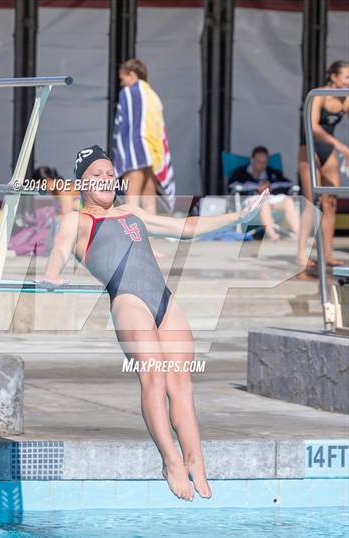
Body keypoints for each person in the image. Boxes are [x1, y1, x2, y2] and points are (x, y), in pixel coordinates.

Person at [37, 145, 269, 502]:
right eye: (96, 174)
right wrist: (52, 275)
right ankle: (171, 460)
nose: (105, 179)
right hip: (129, 301)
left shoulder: (131, 211)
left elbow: (184, 227)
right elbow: (58, 252)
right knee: (155, 378)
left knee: (182, 383)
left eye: (110, 173)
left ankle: (195, 458)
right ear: (81, 183)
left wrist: (237, 217)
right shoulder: (78, 220)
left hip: (164, 299)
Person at [297, 60, 349, 268]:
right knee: (312, 204)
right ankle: (301, 254)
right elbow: (313, 127)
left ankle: (326, 254)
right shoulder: (318, 94)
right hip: (310, 148)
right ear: (333, 77)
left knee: (330, 203)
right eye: (346, 77)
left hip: (328, 152)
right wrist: (341, 147)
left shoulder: (344, 98)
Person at [112, 58, 175, 215]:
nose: (122, 83)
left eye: (122, 79)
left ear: (131, 75)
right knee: (149, 199)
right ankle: (150, 235)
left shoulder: (129, 93)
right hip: (153, 153)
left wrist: (120, 155)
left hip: (135, 150)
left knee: (131, 199)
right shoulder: (153, 95)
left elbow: (125, 126)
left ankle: (132, 237)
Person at [229, 146, 299, 241]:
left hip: (271, 200)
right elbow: (232, 185)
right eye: (258, 161)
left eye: (264, 162)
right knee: (263, 202)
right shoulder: (240, 173)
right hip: (250, 202)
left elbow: (288, 184)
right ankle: (272, 235)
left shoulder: (272, 173)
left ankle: (300, 234)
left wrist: (270, 186)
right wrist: (257, 187)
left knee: (288, 201)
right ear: (251, 159)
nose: (261, 165)